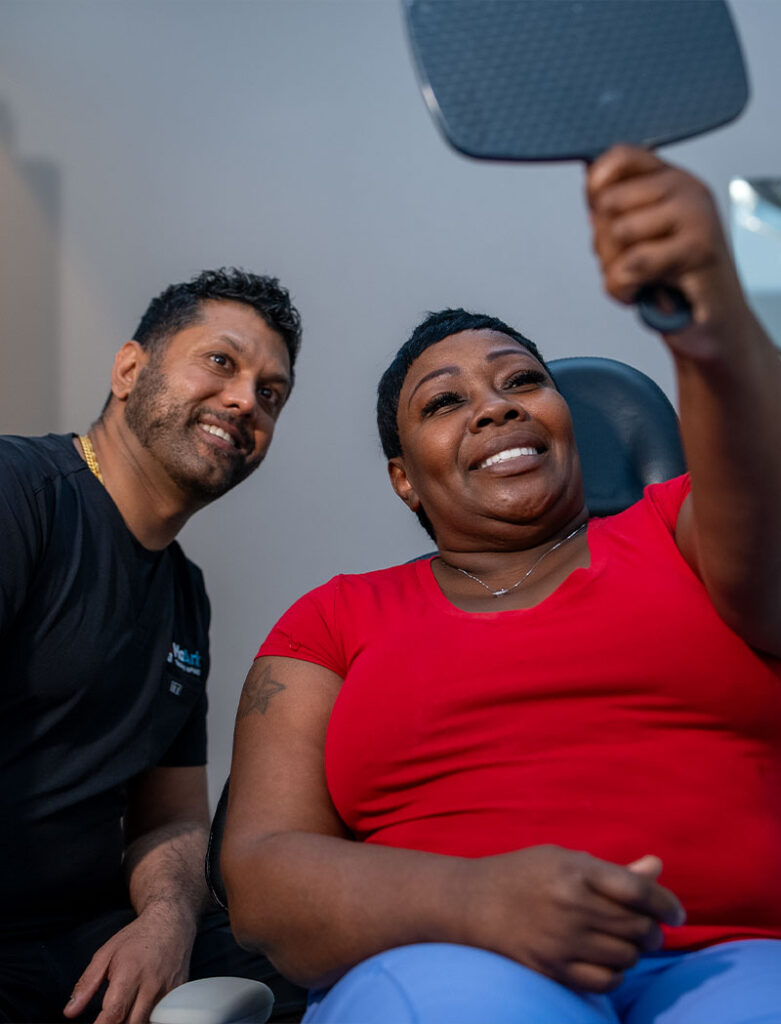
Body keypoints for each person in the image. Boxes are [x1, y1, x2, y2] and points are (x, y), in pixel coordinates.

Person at [221, 147, 781, 1024]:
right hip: (447, 960)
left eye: (523, 381)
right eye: (444, 403)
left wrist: (709, 325)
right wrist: (477, 901)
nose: (496, 405)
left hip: (735, 956)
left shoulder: (683, 530)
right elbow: (261, 878)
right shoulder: (331, 621)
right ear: (404, 479)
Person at [0, 268, 307, 1023]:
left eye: (271, 394)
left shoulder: (183, 595)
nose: (245, 400)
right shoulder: (20, 495)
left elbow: (170, 820)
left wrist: (166, 921)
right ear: (130, 370)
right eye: (221, 361)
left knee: (309, 965)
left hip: (83, 933)